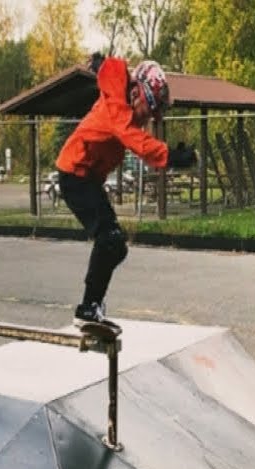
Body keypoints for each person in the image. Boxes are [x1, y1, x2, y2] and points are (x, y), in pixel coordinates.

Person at [55, 54, 197, 327]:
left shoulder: (122, 98)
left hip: (87, 179)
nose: (147, 118)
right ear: (135, 93)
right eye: (148, 109)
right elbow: (138, 143)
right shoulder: (117, 110)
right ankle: (87, 309)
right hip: (75, 175)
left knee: (117, 246)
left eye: (153, 114)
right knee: (109, 238)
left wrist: (99, 66)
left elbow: (108, 74)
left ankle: (92, 305)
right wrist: (171, 157)